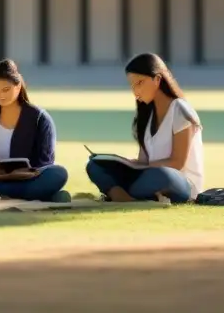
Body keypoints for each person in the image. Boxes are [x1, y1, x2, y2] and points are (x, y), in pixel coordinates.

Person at [85, 53, 204, 204]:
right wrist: (125, 163)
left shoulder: (180, 110)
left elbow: (177, 162)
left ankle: (122, 192)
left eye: (140, 83)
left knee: (161, 175)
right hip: (149, 175)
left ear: (157, 79)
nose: (136, 92)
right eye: (132, 86)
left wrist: (139, 167)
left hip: (180, 182)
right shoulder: (147, 116)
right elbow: (143, 161)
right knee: (95, 166)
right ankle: (127, 196)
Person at [0, 59, 69, 202]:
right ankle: (43, 196)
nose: (0, 95)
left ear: (17, 87)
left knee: (58, 174)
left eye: (6, 89)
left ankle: (1, 193)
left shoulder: (40, 118)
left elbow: (46, 163)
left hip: (27, 180)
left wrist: (24, 173)